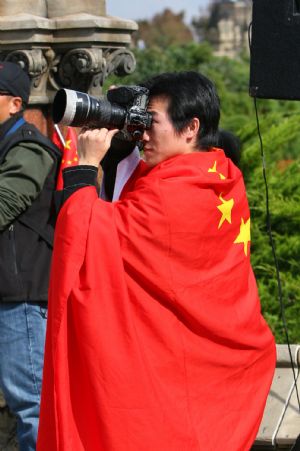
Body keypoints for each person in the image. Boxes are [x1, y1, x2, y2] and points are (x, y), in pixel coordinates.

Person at [37, 71, 276, 451]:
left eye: (153, 123)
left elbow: (88, 240)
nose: (143, 134)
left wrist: (86, 167)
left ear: (190, 128)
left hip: (174, 370)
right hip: (217, 364)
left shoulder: (170, 193)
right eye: (141, 122)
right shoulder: (222, 176)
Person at [0, 61, 61, 451]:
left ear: (14, 103)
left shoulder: (29, 146)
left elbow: (3, 204)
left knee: (32, 408)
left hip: (20, 301)